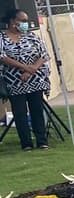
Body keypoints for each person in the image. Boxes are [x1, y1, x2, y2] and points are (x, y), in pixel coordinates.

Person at [1, 9, 52, 150]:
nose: (25, 24)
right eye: (22, 21)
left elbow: (44, 55)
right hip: (14, 81)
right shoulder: (2, 38)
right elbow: (2, 57)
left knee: (37, 110)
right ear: (13, 21)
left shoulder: (32, 37)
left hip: (35, 80)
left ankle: (42, 140)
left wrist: (31, 70)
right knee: (20, 113)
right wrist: (24, 67)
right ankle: (26, 143)